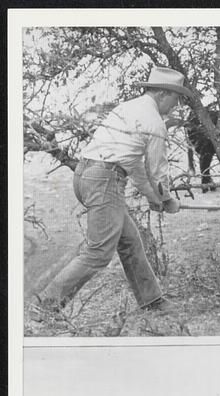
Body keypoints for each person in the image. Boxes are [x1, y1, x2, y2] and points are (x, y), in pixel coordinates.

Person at [34, 66, 193, 315]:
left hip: (86, 174)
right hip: (105, 181)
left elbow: (135, 166)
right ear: (163, 94)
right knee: (98, 253)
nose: (177, 105)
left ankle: (152, 301)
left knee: (130, 242)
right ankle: (45, 306)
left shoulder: (126, 108)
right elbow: (158, 173)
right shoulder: (155, 123)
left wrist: (154, 198)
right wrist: (168, 200)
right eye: (176, 98)